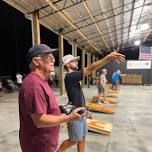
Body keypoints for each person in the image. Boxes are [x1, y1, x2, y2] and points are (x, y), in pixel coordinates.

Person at [19, 44, 85, 152]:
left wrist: (58, 109)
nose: (54, 61)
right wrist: (69, 118)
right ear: (36, 61)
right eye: (50, 58)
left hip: (44, 144)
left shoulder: (41, 81)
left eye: (53, 58)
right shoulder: (34, 85)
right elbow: (39, 120)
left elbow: (42, 107)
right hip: (39, 146)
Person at [57, 51, 125, 152]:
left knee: (83, 138)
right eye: (74, 61)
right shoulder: (70, 77)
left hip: (82, 113)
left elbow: (78, 96)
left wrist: (86, 109)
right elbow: (90, 68)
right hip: (74, 114)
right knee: (74, 140)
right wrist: (108, 58)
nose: (76, 62)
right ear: (67, 64)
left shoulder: (74, 77)